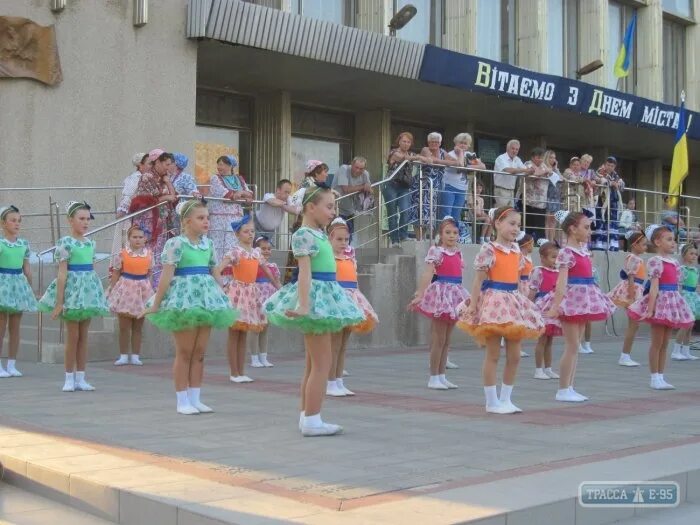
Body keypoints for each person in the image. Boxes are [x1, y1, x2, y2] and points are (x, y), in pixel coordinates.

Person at [264, 183, 364, 437]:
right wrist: (305, 304)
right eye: (329, 206)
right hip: (318, 296)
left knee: (313, 364)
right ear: (310, 207)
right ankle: (312, 419)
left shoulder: (319, 234)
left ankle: (306, 415)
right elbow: (305, 272)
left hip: (326, 292)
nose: (333, 212)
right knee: (322, 363)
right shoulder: (304, 234)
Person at [144, 199, 237, 414]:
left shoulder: (209, 244)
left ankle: (196, 397)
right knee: (185, 351)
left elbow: (214, 270)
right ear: (187, 221)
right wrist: (156, 303)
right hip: (184, 298)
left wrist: (222, 294)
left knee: (200, 352)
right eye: (201, 218)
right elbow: (166, 277)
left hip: (206, 298)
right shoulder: (175, 244)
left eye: (207, 218)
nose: (206, 221)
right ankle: (182, 399)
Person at [457, 207, 544, 413]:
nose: (516, 229)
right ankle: (491, 401)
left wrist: (523, 303)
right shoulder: (489, 249)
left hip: (513, 301)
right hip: (494, 302)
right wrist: (473, 305)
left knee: (514, 355)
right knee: (493, 353)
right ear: (497, 223)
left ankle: (506, 398)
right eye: (512, 224)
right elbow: (478, 281)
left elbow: (519, 280)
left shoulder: (516, 251)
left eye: (518, 225)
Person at [541, 211, 615, 402]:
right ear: (573, 229)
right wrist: (556, 306)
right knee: (572, 345)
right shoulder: (566, 252)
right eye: (586, 227)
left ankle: (570, 386)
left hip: (583, 299)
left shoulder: (583, 251)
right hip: (572, 301)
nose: (589, 231)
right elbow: (561, 282)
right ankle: (563, 389)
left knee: (576, 346)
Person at [39, 201, 110, 392]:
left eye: (88, 219)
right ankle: (68, 377)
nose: (86, 222)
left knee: (84, 336)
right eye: (81, 218)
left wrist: (97, 294)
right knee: (73, 336)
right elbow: (62, 274)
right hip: (73, 292)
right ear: (70, 220)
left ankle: (81, 377)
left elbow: (92, 271)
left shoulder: (90, 243)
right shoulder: (65, 243)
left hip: (86, 292)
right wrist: (59, 302)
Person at [627, 225, 695, 390]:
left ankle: (661, 376)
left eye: (674, 239)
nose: (673, 243)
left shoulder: (674, 262)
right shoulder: (655, 261)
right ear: (657, 242)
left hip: (672, 301)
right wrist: (651, 309)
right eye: (669, 239)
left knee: (665, 343)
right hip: (661, 302)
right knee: (657, 342)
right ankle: (654, 377)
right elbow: (654, 287)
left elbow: (676, 285)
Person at [409, 216, 469, 390]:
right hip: (441, 294)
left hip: (455, 293)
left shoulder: (458, 252)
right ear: (440, 234)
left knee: (447, 339)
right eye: (447, 232)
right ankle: (433, 376)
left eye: (455, 232)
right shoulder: (436, 252)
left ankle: (442, 376)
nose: (452, 236)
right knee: (438, 338)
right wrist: (420, 294)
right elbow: (427, 274)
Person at [326, 218, 378, 397]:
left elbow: (354, 281)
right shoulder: (328, 258)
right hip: (336, 299)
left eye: (346, 240)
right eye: (338, 239)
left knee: (343, 344)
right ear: (330, 239)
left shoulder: (349, 257)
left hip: (351, 298)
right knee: (334, 343)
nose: (343, 243)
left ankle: (339, 380)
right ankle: (330, 381)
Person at [219, 215, 272, 384]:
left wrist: (279, 286)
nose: (250, 234)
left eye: (252, 231)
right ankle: (233, 372)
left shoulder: (256, 252)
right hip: (237, 293)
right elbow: (218, 269)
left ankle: (241, 371)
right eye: (246, 231)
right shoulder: (235, 251)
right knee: (234, 333)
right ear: (237, 234)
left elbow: (268, 272)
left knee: (243, 334)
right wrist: (223, 286)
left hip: (251, 294)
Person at [0, 206, 38, 378]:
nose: (17, 224)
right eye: (13, 220)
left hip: (18, 285)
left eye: (19, 221)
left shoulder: (23, 244)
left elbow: (27, 269)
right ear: (3, 223)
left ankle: (12, 364)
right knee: (1, 326)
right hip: (3, 285)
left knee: (15, 327)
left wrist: (30, 289)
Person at [129, 149, 178, 285]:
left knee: (160, 251)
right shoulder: (147, 177)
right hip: (147, 220)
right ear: (158, 162)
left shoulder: (163, 178)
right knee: (147, 249)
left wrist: (168, 182)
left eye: (170, 165)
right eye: (166, 164)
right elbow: (145, 199)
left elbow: (173, 196)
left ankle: (157, 284)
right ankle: (144, 282)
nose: (168, 168)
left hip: (161, 220)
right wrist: (165, 197)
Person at [108, 225, 153, 367]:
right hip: (126, 290)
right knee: (124, 326)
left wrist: (150, 290)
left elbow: (150, 273)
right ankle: (123, 355)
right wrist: (114, 289)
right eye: (134, 237)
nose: (138, 240)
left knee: (138, 326)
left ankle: (135, 355)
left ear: (145, 239)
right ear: (129, 239)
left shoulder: (149, 254)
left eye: (140, 237)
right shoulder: (123, 254)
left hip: (142, 291)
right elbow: (116, 272)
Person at [285, 161, 329, 283]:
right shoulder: (309, 186)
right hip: (305, 225)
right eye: (324, 171)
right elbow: (299, 206)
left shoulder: (313, 185)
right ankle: (297, 284)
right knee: (302, 257)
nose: (326, 175)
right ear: (316, 172)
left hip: (311, 225)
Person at [608, 231, 648, 367]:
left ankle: (626, 355)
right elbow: (631, 278)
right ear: (635, 245)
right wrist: (632, 297)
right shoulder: (633, 258)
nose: (645, 247)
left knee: (634, 325)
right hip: (633, 291)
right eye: (643, 244)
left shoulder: (637, 258)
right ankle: (625, 356)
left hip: (637, 289)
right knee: (633, 325)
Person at [208, 155, 254, 261]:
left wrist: (241, 193)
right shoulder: (215, 178)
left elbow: (249, 194)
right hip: (219, 217)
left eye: (221, 165)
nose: (219, 167)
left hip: (235, 217)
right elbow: (225, 194)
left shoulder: (239, 178)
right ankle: (218, 270)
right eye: (218, 165)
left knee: (233, 242)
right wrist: (239, 195)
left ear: (230, 166)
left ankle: (232, 270)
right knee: (218, 244)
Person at [383, 132, 424, 248]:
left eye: (408, 142)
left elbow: (423, 159)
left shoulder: (411, 154)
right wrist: (419, 157)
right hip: (391, 185)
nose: (406, 144)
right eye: (404, 141)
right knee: (392, 214)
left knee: (405, 210)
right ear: (399, 142)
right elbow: (403, 158)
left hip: (404, 186)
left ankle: (403, 236)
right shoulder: (394, 152)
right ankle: (394, 240)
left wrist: (425, 157)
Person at [528, 241, 561, 380]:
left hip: (553, 308)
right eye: (553, 257)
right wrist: (528, 307)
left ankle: (548, 368)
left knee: (550, 340)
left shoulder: (559, 272)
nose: (556, 260)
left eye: (557, 257)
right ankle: (538, 369)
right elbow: (533, 290)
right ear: (542, 258)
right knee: (542, 339)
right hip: (542, 307)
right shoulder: (538, 271)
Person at [112, 152, 149, 269]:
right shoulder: (136, 178)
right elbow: (128, 196)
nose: (151, 166)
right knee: (128, 243)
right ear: (140, 165)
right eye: (149, 163)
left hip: (138, 216)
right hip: (130, 217)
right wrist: (122, 211)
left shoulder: (145, 178)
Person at [249, 235, 281, 368]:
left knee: (265, 328)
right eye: (263, 249)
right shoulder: (254, 265)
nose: (267, 251)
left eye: (269, 248)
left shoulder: (273, 266)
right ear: (256, 250)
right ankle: (254, 358)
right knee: (256, 328)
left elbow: (277, 282)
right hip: (257, 297)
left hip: (269, 298)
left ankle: (264, 357)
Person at [441, 133, 486, 222]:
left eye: (465, 143)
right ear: (456, 143)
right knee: (446, 214)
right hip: (449, 186)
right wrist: (461, 153)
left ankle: (454, 234)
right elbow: (460, 165)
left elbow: (483, 166)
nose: (463, 145)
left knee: (456, 215)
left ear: (468, 145)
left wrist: (468, 167)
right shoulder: (451, 154)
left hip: (462, 188)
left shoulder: (469, 155)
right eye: (461, 142)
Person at [332, 157, 372, 240]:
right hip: (336, 209)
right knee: (337, 236)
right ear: (352, 165)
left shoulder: (365, 174)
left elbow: (370, 190)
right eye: (356, 167)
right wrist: (362, 187)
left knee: (348, 237)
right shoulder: (344, 169)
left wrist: (368, 189)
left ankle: (347, 253)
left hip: (350, 210)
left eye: (361, 169)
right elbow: (345, 189)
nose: (358, 170)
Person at [672, 243, 700, 361]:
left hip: (693, 297)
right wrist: (680, 298)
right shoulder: (683, 269)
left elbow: (696, 285)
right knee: (685, 324)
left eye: (695, 254)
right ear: (684, 255)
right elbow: (679, 285)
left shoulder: (695, 269)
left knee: (690, 325)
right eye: (691, 254)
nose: (694, 256)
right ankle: (676, 350)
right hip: (685, 297)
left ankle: (686, 351)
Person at [517, 147, 551, 239]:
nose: (540, 160)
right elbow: (533, 174)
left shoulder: (544, 165)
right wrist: (544, 172)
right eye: (538, 157)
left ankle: (540, 244)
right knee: (528, 225)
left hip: (541, 202)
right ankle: (526, 242)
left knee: (540, 227)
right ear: (533, 157)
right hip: (529, 201)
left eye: (541, 157)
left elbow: (551, 173)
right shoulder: (527, 164)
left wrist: (549, 170)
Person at [592, 156, 624, 251]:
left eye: (612, 166)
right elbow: (600, 180)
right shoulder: (599, 172)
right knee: (600, 222)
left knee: (612, 223)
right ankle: (599, 246)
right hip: (601, 201)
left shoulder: (616, 175)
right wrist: (611, 183)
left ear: (614, 167)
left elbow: (622, 186)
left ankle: (611, 245)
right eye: (608, 165)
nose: (610, 167)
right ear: (605, 164)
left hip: (613, 202)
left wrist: (618, 184)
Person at [493, 140, 534, 207]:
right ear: (507, 148)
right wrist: (526, 170)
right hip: (501, 190)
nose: (514, 151)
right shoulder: (501, 158)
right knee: (501, 214)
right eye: (513, 148)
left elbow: (525, 170)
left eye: (517, 149)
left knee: (510, 214)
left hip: (511, 191)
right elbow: (509, 170)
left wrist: (531, 170)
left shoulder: (517, 159)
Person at [543, 150, 562, 242]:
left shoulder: (555, 169)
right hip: (548, 196)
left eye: (554, 158)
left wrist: (556, 168)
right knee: (547, 220)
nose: (553, 159)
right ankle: (546, 239)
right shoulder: (544, 167)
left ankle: (551, 240)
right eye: (551, 157)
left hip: (556, 197)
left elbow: (561, 179)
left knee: (554, 221)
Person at [469, 179, 491, 243]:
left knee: (491, 219)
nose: (478, 189)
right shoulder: (471, 197)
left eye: (480, 188)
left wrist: (488, 215)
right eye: (476, 188)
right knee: (487, 219)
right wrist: (479, 214)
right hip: (473, 216)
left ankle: (487, 237)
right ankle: (482, 238)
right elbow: (472, 209)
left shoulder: (481, 199)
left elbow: (482, 211)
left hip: (479, 216)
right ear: (473, 188)